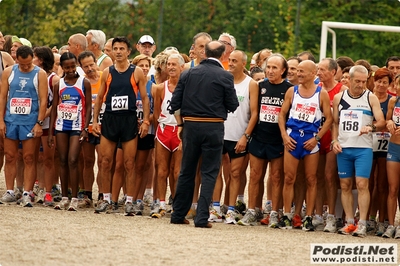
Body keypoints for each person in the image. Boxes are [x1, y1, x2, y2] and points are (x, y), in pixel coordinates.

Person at [169, 41, 239, 227]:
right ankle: (201, 218)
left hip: (190, 126)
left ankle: (178, 214)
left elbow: (174, 104)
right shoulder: (225, 76)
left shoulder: (188, 73)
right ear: (223, 55)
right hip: (214, 127)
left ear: (205, 53)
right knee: (209, 172)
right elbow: (233, 105)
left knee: (187, 171)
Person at [92, 36, 150, 215]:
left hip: (129, 120)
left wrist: (146, 121)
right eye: (115, 48)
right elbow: (100, 98)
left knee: (129, 163)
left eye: (121, 49)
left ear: (128, 51)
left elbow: (145, 97)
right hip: (110, 119)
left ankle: (130, 201)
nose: (118, 52)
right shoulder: (108, 72)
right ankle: (106, 199)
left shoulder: (136, 72)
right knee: (105, 161)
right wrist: (95, 121)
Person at [236, 54, 291, 227]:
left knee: (276, 177)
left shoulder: (289, 89)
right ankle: (253, 210)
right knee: (254, 175)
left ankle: (275, 212)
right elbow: (252, 112)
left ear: (283, 70)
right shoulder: (259, 86)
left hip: (277, 139)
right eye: (268, 67)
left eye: (275, 68)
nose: (270, 70)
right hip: (259, 137)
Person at [278, 60, 332, 231]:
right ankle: (287, 215)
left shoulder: (321, 93)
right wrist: (285, 136)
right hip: (293, 139)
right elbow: (282, 115)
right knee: (289, 178)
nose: (298, 74)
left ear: (312, 73)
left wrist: (317, 138)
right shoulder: (291, 91)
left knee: (311, 179)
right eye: (298, 70)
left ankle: (308, 217)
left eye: (302, 71)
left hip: (310, 141)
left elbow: (329, 118)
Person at [331, 65, 385, 237]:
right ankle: (349, 222)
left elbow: (381, 121)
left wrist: (370, 127)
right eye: (357, 81)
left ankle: (362, 222)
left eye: (364, 81)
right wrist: (334, 141)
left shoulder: (371, 97)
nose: (361, 85)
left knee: (362, 185)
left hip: (363, 148)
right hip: (344, 148)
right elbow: (335, 123)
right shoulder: (340, 98)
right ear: (350, 79)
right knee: (345, 185)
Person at [209, 50, 258, 224]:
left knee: (235, 173)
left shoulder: (251, 84)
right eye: (229, 60)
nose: (230, 63)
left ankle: (231, 209)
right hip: (220, 132)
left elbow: (254, 113)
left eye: (235, 61)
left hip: (239, 135)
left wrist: (245, 136)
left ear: (243, 63)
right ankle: (215, 208)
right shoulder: (223, 79)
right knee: (216, 172)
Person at [0, 45, 48, 207]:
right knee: (10, 156)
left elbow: (43, 101)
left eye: (28, 64)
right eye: (23, 65)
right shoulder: (9, 72)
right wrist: (1, 121)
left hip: (30, 121)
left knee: (29, 157)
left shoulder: (40, 74)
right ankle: (10, 191)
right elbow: (2, 97)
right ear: (16, 60)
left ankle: (27, 192)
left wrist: (39, 123)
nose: (26, 67)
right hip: (11, 120)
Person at [48, 52, 91, 211]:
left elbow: (88, 107)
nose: (71, 69)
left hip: (77, 126)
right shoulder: (58, 84)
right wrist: (51, 132)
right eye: (67, 67)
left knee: (73, 159)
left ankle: (74, 198)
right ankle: (64, 197)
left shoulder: (83, 82)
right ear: (62, 68)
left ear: (76, 65)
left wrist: (86, 128)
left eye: (73, 66)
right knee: (63, 159)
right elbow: (54, 109)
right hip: (61, 126)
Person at [151, 53, 185, 218]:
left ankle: (176, 203)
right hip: (164, 130)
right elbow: (156, 113)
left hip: (179, 131)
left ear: (181, 67)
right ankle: (161, 203)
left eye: (174, 64)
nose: (171, 67)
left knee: (177, 171)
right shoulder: (159, 88)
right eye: (168, 64)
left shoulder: (186, 87)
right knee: (162, 170)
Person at [315, 58, 347, 233]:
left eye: (322, 70)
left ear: (333, 72)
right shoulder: (316, 88)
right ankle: (318, 214)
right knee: (316, 177)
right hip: (316, 136)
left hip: (333, 137)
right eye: (318, 69)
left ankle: (332, 216)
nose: (318, 72)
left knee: (329, 177)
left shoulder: (342, 90)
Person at [31, 46, 60, 206]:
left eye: (34, 57)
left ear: (41, 60)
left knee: (48, 158)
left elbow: (55, 103)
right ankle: (40, 187)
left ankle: (49, 191)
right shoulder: (32, 75)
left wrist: (42, 118)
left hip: (48, 123)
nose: (31, 59)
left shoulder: (54, 79)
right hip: (33, 121)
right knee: (36, 157)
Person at [77, 51, 104, 208]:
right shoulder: (82, 82)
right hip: (87, 126)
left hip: (103, 126)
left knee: (102, 160)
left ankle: (102, 194)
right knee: (88, 160)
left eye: (91, 64)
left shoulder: (105, 78)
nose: (90, 68)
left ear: (96, 63)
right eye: (85, 66)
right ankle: (87, 194)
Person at [368, 68, 392, 236]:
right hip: (368, 143)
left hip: (385, 145)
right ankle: (369, 218)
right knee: (367, 184)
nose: (381, 85)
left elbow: (389, 121)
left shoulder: (391, 101)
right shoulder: (367, 97)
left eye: (385, 82)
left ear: (389, 84)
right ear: (374, 81)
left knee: (382, 184)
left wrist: (380, 124)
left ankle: (382, 220)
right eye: (379, 81)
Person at [383, 73, 400, 238]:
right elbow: (387, 120)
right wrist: (389, 123)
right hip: (394, 147)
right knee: (392, 188)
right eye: (397, 84)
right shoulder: (394, 101)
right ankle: (390, 225)